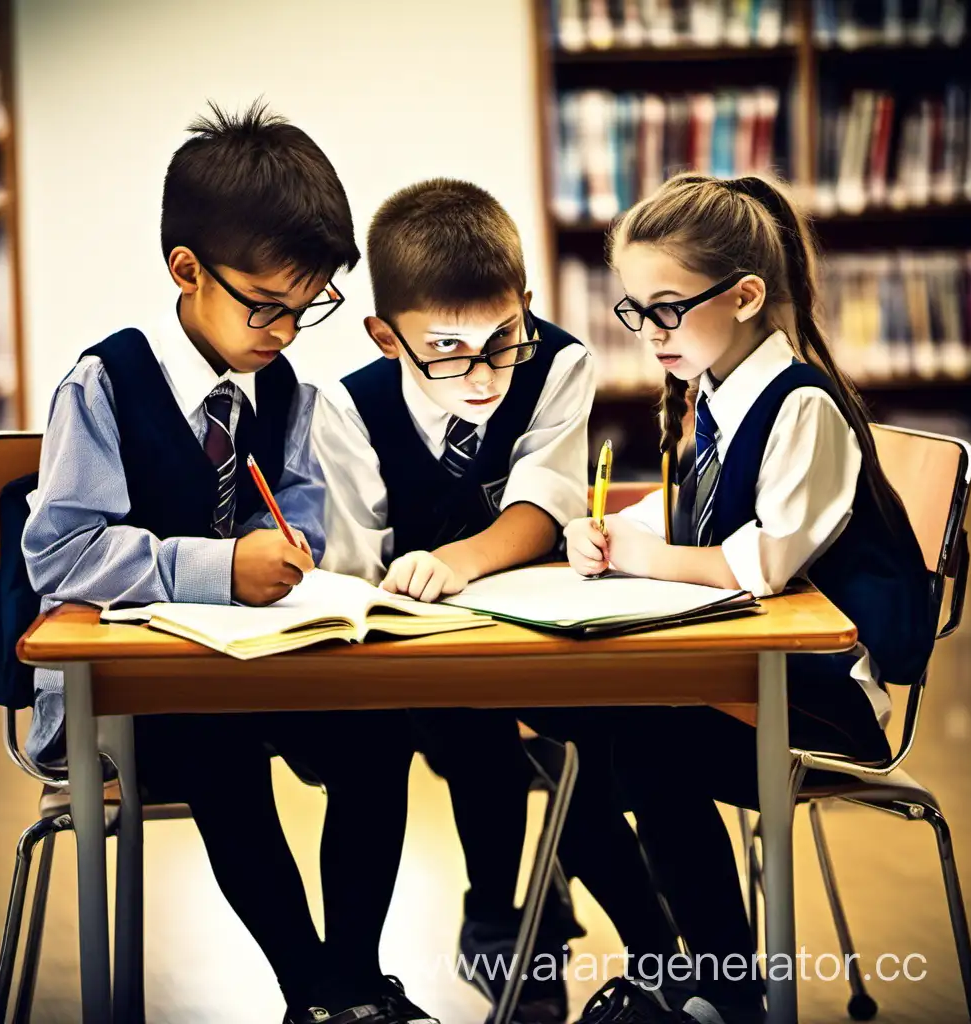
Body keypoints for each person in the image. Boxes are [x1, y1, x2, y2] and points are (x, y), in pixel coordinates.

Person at [22, 101, 435, 1024]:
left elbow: (300, 508)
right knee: (219, 744)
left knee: (381, 728)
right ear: (186, 270)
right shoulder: (106, 385)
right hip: (122, 696)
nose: (285, 333)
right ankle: (314, 991)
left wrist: (294, 552)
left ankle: (353, 982)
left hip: (255, 667)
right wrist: (218, 569)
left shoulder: (282, 388)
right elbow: (62, 553)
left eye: (307, 309)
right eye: (266, 306)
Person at [561, 172, 934, 1024]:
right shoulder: (720, 393)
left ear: (745, 296)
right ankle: (687, 974)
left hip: (828, 699)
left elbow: (762, 560)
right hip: (751, 677)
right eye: (634, 309)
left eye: (665, 307)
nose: (649, 332)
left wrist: (647, 555)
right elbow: (695, 511)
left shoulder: (801, 405)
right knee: (581, 732)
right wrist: (606, 531)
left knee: (646, 750)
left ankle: (726, 994)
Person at [310, 178, 596, 1023]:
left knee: (603, 749)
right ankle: (504, 923)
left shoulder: (557, 363)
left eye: (502, 341)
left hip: (536, 639)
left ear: (527, 309)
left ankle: (598, 945)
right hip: (414, 662)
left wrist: (457, 559)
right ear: (383, 336)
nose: (481, 377)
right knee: (468, 734)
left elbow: (544, 508)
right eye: (445, 350)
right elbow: (354, 568)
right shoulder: (349, 407)